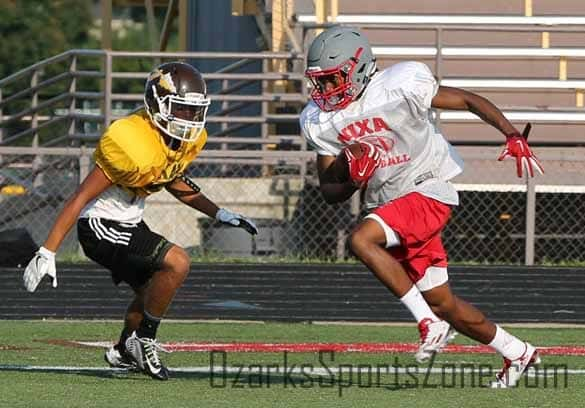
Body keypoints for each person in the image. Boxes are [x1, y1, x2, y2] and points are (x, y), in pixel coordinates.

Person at [299, 26, 544, 388]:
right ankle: (518, 351)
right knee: (443, 301)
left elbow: (467, 100)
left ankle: (428, 323)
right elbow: (330, 191)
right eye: (319, 82)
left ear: (359, 67)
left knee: (361, 241)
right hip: (392, 206)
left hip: (428, 190)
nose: (324, 90)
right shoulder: (319, 120)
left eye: (332, 79)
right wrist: (351, 176)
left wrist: (509, 132)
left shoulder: (400, 84)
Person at [22, 61, 258, 381]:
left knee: (152, 290)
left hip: (129, 222)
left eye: (193, 110)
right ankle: (145, 340)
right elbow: (79, 197)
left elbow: (173, 180)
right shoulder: (129, 141)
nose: (189, 119)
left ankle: (122, 350)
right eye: (181, 109)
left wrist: (220, 212)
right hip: (99, 224)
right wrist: (48, 251)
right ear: (156, 103)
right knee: (177, 262)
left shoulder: (180, 140)